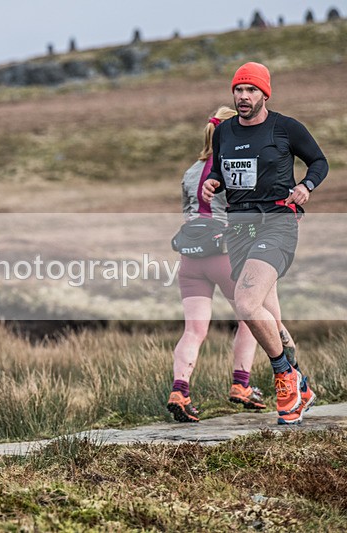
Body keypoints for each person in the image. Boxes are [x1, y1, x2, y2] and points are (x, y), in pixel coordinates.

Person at [202, 62, 328, 425]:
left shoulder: (285, 128)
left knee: (245, 303)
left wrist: (306, 186)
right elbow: (219, 169)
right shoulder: (224, 132)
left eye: (251, 90)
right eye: (238, 90)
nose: (243, 96)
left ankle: (284, 378)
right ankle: (301, 383)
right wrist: (213, 182)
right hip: (239, 229)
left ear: (264, 94)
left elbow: (319, 162)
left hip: (277, 223)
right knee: (270, 317)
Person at [168, 106, 299, 422]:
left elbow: (189, 211)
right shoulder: (234, 164)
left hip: (190, 258)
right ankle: (242, 384)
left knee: (194, 330)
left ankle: (179, 392)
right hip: (225, 252)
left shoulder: (190, 172)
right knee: (249, 315)